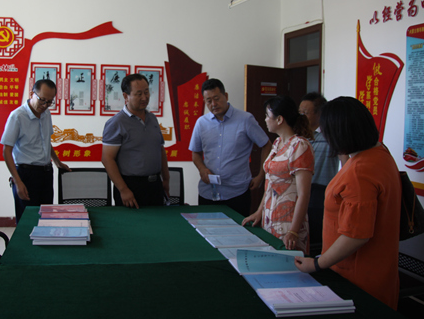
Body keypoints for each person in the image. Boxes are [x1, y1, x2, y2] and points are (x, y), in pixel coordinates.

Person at [294, 97, 401, 310]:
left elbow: (356, 235)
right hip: (378, 271)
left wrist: (317, 263)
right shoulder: (379, 153)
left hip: (357, 278)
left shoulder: (360, 172)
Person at [242, 95, 314, 253]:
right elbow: (270, 185)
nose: (265, 119)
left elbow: (304, 194)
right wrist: (259, 212)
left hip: (288, 221)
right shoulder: (277, 143)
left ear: (280, 119)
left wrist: (294, 230)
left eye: (267, 116)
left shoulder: (300, 146)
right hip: (270, 217)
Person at [189, 78, 271, 216]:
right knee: (206, 229)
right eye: (209, 101)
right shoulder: (201, 123)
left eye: (217, 98)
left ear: (225, 96)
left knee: (238, 229)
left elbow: (267, 145)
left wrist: (261, 175)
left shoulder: (245, 119)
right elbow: (195, 153)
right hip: (208, 193)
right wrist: (202, 168)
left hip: (237, 194)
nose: (213, 104)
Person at [1, 79, 70, 223]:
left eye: (49, 102)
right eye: (42, 100)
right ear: (32, 94)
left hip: (46, 173)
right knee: (27, 221)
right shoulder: (17, 116)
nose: (45, 105)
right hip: (26, 175)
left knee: (46, 218)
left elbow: (46, 142)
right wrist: (18, 181)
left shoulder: (46, 114)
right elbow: (7, 151)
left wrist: (57, 162)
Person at [102, 73, 170, 208]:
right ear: (125, 96)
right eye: (139, 94)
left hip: (155, 185)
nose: (144, 97)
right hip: (131, 187)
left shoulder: (152, 119)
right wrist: (123, 189)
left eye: (146, 92)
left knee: (158, 221)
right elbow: (107, 159)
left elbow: (160, 150)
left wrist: (166, 179)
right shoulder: (116, 123)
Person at [299, 92, 348, 254]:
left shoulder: (331, 135)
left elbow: (346, 164)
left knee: (316, 239)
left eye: (305, 113)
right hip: (299, 192)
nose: (301, 116)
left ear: (319, 114)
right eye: (299, 112)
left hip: (320, 194)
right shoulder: (299, 136)